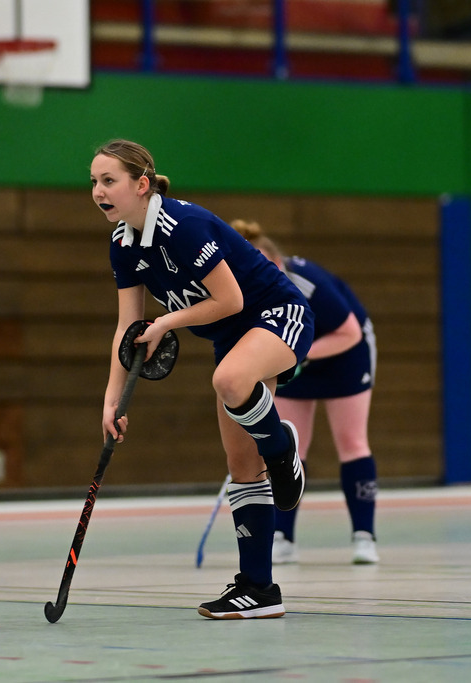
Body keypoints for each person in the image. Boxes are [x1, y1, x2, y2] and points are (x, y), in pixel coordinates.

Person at [91, 139, 315, 620]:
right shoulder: (122, 245)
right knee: (241, 465)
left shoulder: (183, 225)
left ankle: (282, 447)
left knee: (229, 380)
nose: (98, 191)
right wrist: (112, 400)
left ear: (142, 184)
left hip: (278, 313)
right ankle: (259, 590)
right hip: (231, 337)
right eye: (93, 182)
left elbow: (232, 300)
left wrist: (167, 322)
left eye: (109, 180)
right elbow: (126, 328)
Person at [232, 219, 379, 565]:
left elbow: (349, 333)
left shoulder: (306, 280)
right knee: (290, 445)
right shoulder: (245, 291)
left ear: (274, 262)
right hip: (295, 353)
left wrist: (302, 353)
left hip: (345, 353)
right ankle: (283, 536)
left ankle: (364, 536)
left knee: (352, 442)